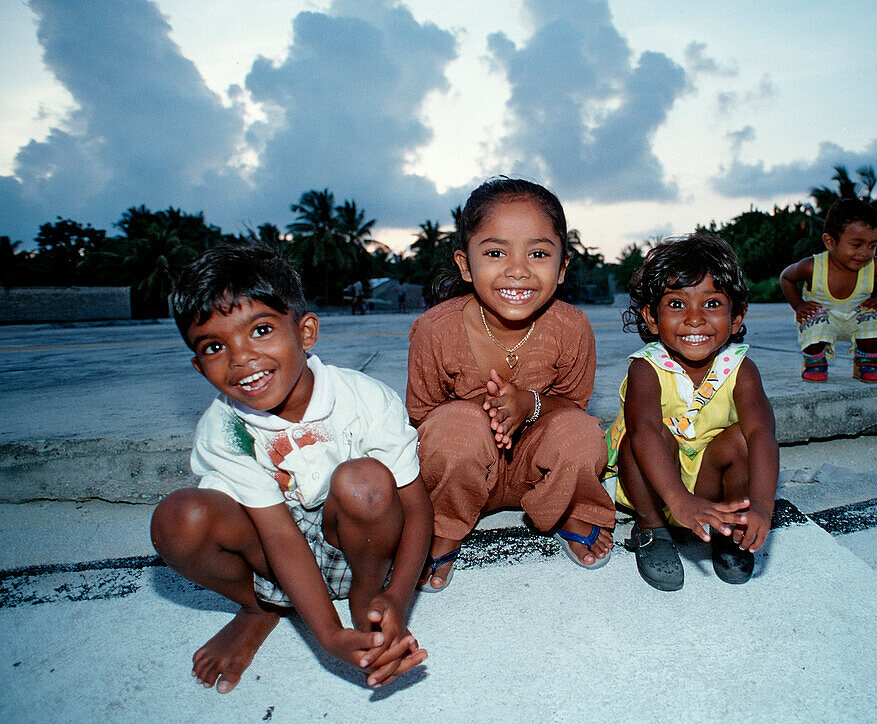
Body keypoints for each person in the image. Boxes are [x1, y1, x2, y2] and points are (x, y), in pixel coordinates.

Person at [150, 245, 432, 693]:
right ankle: (263, 607)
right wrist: (329, 637)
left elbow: (416, 507)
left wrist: (398, 596)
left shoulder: (362, 397)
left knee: (364, 481)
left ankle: (366, 596)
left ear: (306, 332)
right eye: (215, 346)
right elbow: (279, 535)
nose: (241, 358)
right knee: (179, 520)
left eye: (261, 330)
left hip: (358, 543)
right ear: (197, 364)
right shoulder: (223, 430)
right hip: (275, 555)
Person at [406, 177, 615, 591]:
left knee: (582, 433)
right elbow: (422, 418)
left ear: (562, 268)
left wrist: (529, 404)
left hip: (536, 472)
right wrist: (475, 418)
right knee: (454, 428)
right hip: (464, 471)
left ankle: (569, 505)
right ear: (466, 265)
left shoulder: (572, 328)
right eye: (496, 252)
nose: (517, 270)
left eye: (538, 253)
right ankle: (445, 524)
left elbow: (573, 404)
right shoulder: (434, 330)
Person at [604, 233, 779, 592]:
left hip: (706, 484)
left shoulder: (741, 368)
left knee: (743, 439)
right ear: (651, 318)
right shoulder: (646, 368)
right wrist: (677, 499)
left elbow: (763, 434)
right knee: (642, 439)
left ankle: (731, 527)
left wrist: (762, 504)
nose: (695, 319)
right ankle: (652, 530)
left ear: (736, 316)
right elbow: (645, 431)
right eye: (677, 304)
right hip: (653, 486)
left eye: (712, 304)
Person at [779, 199, 877, 383]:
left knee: (875, 314)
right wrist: (799, 306)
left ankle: (866, 360)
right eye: (856, 245)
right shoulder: (813, 267)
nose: (865, 253)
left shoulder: (874, 265)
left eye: (872, 245)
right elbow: (786, 277)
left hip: (856, 317)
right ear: (830, 242)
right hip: (824, 318)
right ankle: (814, 361)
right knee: (812, 316)